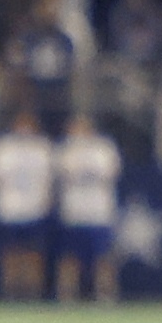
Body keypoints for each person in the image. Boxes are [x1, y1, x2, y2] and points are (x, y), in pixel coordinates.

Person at [0, 103, 57, 303]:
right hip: (10, 208)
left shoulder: (43, 147)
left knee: (34, 253)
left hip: (35, 208)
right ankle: (11, 290)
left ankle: (33, 291)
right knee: (11, 253)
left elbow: (51, 178)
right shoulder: (2, 148)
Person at [54, 108, 123, 302]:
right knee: (70, 257)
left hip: (99, 211)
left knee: (103, 257)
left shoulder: (104, 148)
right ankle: (67, 294)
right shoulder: (64, 150)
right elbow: (60, 174)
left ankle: (105, 293)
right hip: (74, 211)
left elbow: (112, 173)